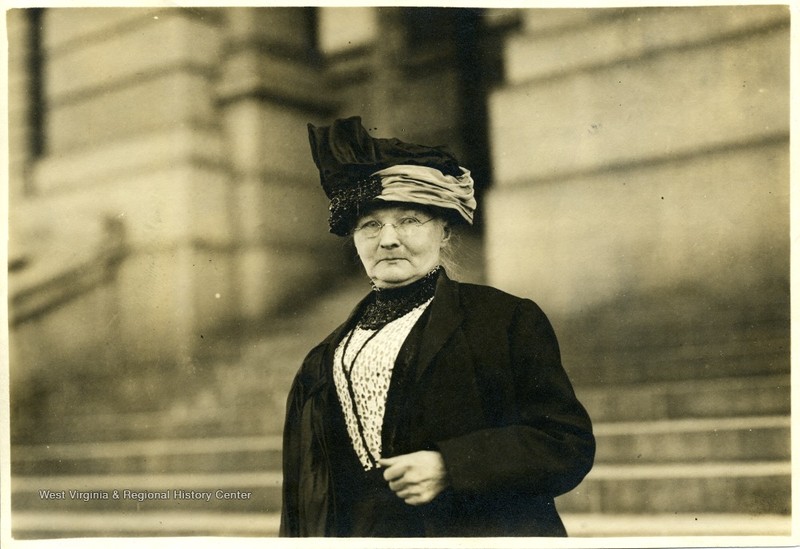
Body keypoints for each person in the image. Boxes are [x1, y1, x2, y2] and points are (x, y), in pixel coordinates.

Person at [280, 116, 594, 537]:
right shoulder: (320, 363)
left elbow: (567, 443)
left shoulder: (502, 320)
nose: (388, 239)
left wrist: (451, 465)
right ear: (354, 238)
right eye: (370, 225)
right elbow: (306, 501)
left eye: (409, 220)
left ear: (444, 229)